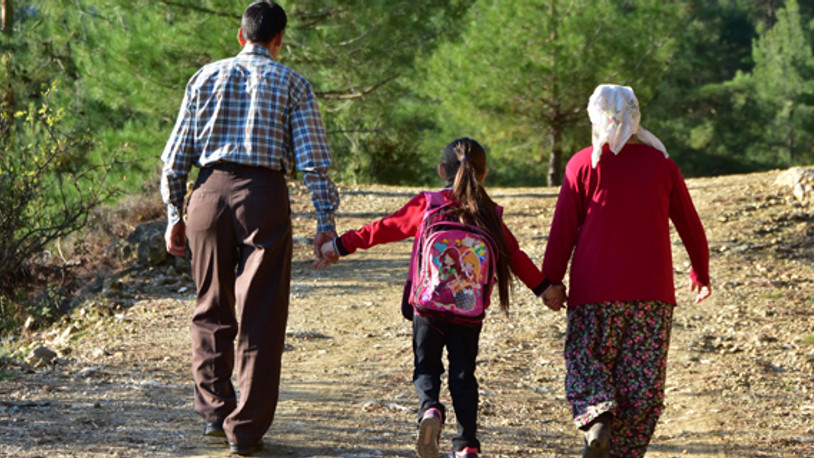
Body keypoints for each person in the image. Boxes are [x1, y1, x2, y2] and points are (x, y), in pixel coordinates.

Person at [159, 1, 339, 455]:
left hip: (208, 194)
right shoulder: (293, 83)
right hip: (263, 198)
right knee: (261, 313)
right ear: (279, 40)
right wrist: (325, 223)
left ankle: (215, 414)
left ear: (241, 36)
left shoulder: (204, 76)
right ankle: (246, 431)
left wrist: (174, 216)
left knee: (210, 307)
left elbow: (175, 157)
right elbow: (313, 162)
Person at [315, 138, 564, 458]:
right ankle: (467, 444)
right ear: (484, 176)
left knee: (426, 368)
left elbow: (384, 228)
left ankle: (430, 410)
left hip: (428, 308)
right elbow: (515, 256)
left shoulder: (429, 204)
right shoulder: (489, 214)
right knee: (463, 374)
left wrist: (338, 246)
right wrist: (546, 289)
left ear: (441, 170)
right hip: (468, 311)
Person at [542, 84, 711, 458]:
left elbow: (563, 229)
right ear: (635, 116)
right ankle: (622, 452)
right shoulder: (662, 166)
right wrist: (700, 272)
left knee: (588, 363)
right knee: (642, 386)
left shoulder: (583, 164)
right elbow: (691, 225)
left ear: (595, 116)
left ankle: (598, 417)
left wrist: (551, 281)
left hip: (593, 294)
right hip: (652, 297)